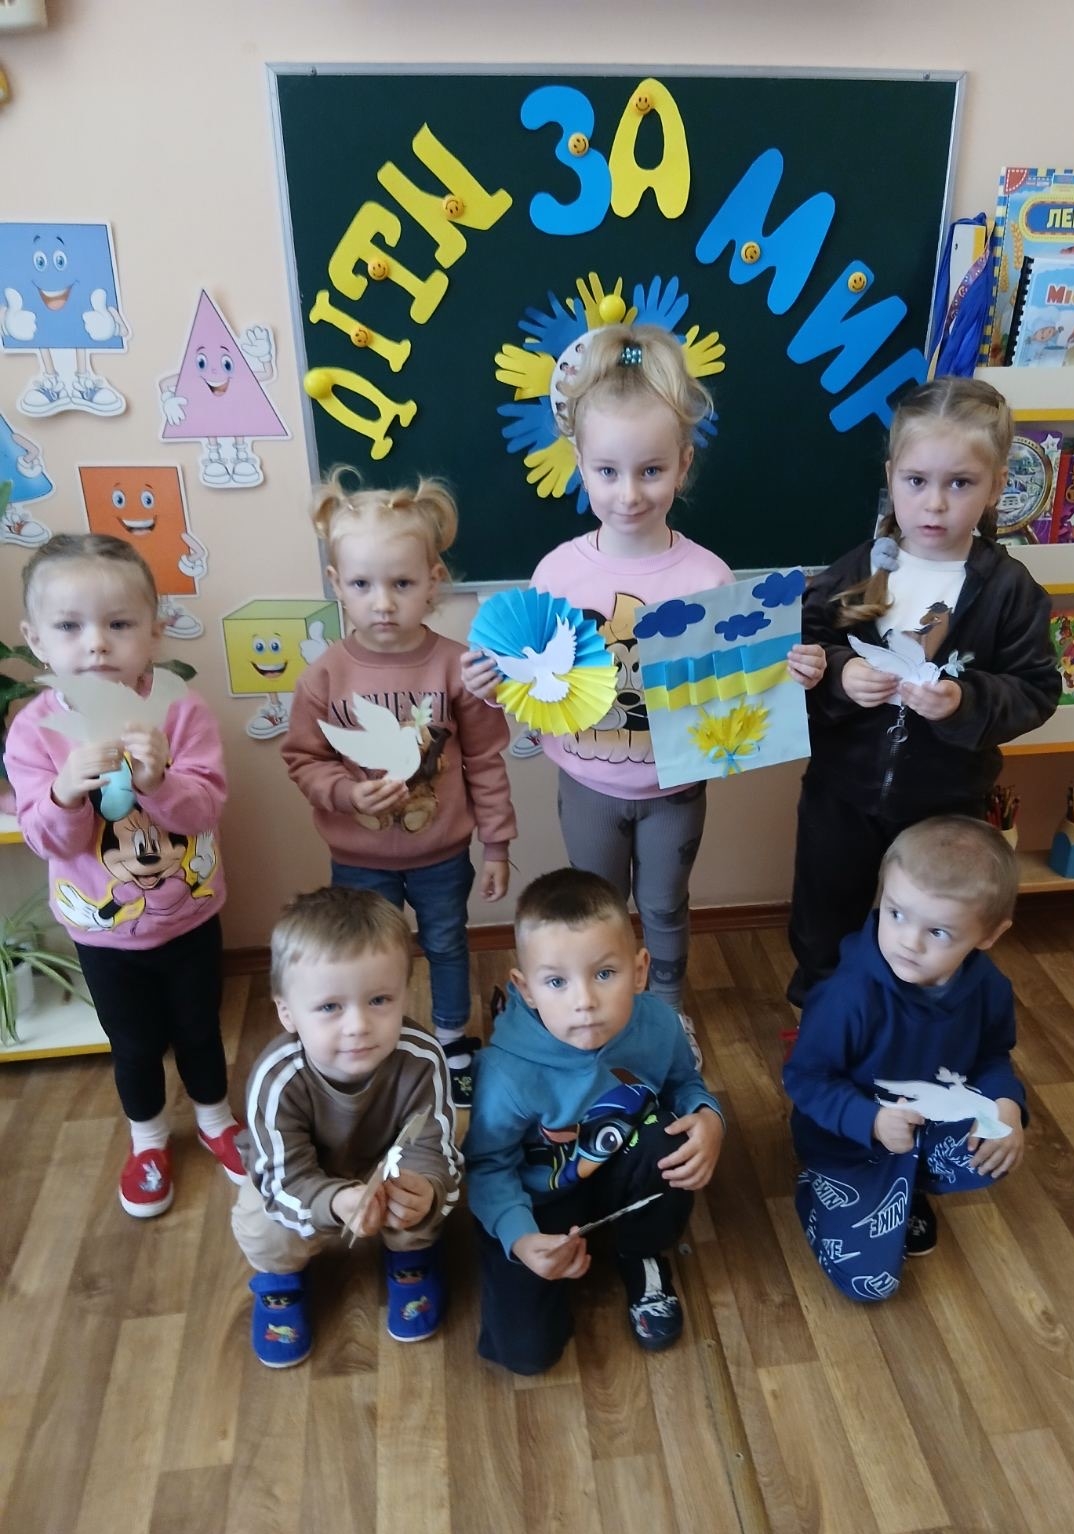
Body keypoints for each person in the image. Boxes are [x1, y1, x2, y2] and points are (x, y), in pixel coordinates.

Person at [462, 323, 825, 1055]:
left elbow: (738, 689)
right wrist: (491, 684)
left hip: (674, 789)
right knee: (593, 912)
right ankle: (591, 1014)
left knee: (663, 907)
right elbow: (532, 684)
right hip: (586, 784)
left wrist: (790, 673)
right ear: (579, 464)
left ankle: (664, 1014)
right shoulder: (558, 574)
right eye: (608, 471)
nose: (629, 494)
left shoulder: (707, 576)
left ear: (684, 463)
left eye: (651, 471)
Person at [786, 376, 1059, 1006]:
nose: (935, 505)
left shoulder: (1008, 590)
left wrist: (965, 701)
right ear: (891, 478)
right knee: (825, 918)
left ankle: (915, 1024)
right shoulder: (862, 566)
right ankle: (821, 1016)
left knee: (931, 928)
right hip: (840, 795)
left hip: (945, 805)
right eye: (916, 481)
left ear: (995, 487)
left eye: (960, 484)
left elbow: (1036, 690)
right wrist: (837, 674)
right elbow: (803, 643)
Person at [7, 533, 243, 1217]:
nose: (97, 644)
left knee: (200, 1029)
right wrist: (64, 792)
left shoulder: (178, 710)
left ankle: (217, 1121)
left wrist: (158, 779)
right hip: (103, 932)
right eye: (69, 627)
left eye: (118, 624)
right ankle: (148, 1141)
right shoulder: (34, 731)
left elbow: (204, 810)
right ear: (36, 640)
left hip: (189, 915)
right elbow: (46, 840)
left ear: (154, 631)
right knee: (133, 1044)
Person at [282, 475, 516, 1107]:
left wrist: (497, 845)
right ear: (337, 584)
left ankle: (452, 1041)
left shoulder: (457, 668)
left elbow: (486, 760)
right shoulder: (324, 675)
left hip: (441, 854)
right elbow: (303, 758)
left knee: (446, 944)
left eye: (402, 584)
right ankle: (376, 1047)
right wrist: (344, 793)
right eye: (362, 585)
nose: (382, 603)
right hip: (358, 860)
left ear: (433, 581)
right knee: (364, 958)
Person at [465, 867, 725, 1375]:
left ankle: (641, 1251)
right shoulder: (504, 1073)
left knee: (669, 1137)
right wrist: (521, 1238)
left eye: (605, 974)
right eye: (556, 982)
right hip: (541, 1200)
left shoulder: (658, 1023)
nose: (584, 1001)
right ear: (526, 988)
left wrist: (708, 1117)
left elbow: (683, 1084)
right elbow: (488, 1166)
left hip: (626, 1172)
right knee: (525, 1352)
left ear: (640, 970)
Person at [784, 815, 1027, 1301]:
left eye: (938, 932)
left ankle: (907, 1183)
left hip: (925, 1126)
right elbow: (805, 1078)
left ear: (989, 934)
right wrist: (871, 1121)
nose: (909, 942)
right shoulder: (846, 997)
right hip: (849, 1142)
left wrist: (1006, 1104)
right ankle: (822, 1188)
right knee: (869, 1283)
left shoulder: (990, 989)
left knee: (997, 1148)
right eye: (895, 914)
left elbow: (992, 1056)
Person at [233, 886, 461, 1368]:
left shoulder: (422, 1058)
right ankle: (279, 1282)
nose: (358, 1025)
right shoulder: (277, 1078)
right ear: (287, 1012)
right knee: (262, 1222)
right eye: (330, 1007)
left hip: (387, 1166)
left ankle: (410, 1258)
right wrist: (335, 1200)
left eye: (379, 1000)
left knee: (426, 1196)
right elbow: (283, 1178)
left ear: (404, 993)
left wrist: (426, 1189)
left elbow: (432, 1148)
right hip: (303, 1175)